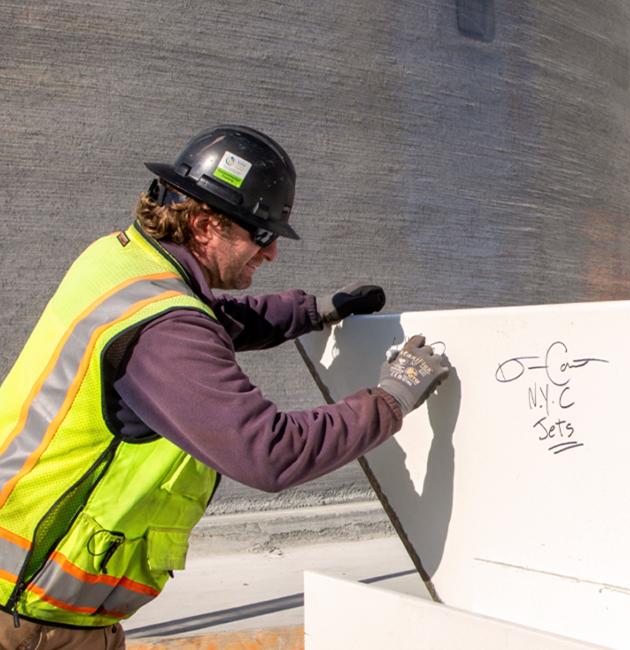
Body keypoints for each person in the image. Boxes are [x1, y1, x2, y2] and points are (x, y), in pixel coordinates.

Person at [0, 125, 450, 649]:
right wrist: (392, 398)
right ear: (204, 224)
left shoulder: (122, 260)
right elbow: (270, 452)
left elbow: (207, 316)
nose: (273, 252)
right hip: (34, 621)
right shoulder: (165, 329)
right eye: (261, 235)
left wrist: (313, 311)